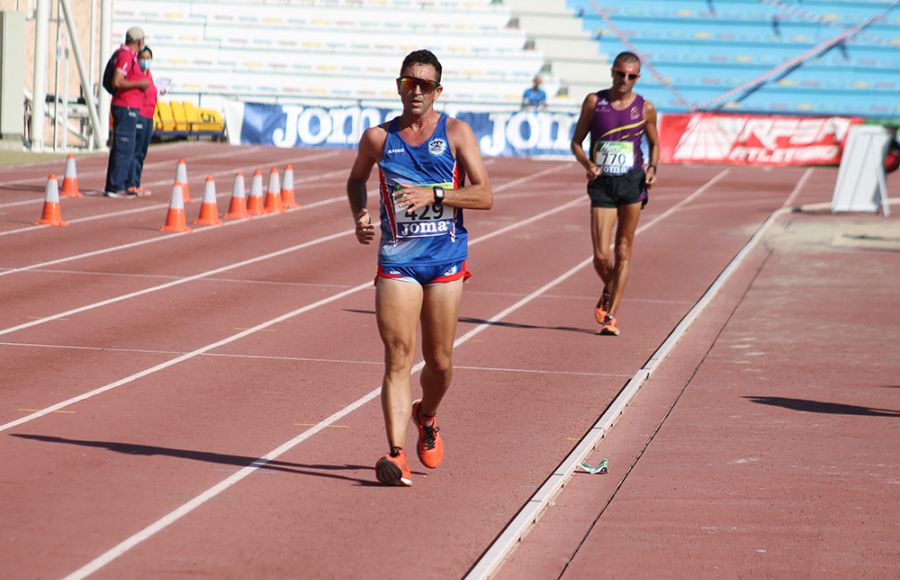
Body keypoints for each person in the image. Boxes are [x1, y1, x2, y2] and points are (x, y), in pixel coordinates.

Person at [346, 49, 493, 487]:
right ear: (398, 86)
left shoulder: (456, 132)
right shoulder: (377, 138)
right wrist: (360, 215)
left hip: (445, 258)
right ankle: (395, 454)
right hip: (397, 261)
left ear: (437, 91)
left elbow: (484, 196)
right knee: (397, 357)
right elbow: (355, 179)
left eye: (424, 85)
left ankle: (426, 416)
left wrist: (438, 195)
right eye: (409, 82)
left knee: (441, 363)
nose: (415, 91)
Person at [570, 51, 659, 336]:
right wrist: (588, 163)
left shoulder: (645, 108)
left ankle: (611, 316)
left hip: (632, 181)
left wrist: (653, 167)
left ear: (637, 78)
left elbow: (655, 144)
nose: (625, 79)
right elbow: (576, 142)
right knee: (600, 256)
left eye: (631, 76)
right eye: (621, 73)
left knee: (623, 249)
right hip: (603, 183)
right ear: (612, 72)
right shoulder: (595, 102)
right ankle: (612, 289)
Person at [104, 26, 149, 198]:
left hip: (128, 106)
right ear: (139, 41)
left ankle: (116, 184)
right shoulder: (125, 55)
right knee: (124, 147)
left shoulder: (129, 56)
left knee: (125, 147)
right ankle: (115, 186)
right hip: (125, 106)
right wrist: (139, 84)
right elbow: (117, 81)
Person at [127, 46, 160, 196]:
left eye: (148, 58)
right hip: (140, 114)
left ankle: (136, 182)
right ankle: (131, 183)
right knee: (136, 151)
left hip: (149, 116)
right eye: (143, 58)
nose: (146, 61)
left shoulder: (149, 74)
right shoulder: (137, 74)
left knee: (142, 152)